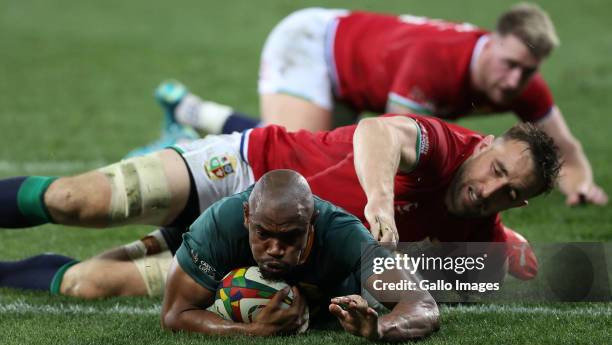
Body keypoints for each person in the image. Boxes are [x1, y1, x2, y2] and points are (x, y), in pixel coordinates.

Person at [0, 113, 553, 297]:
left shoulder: (483, 238)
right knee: (77, 200)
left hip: (261, 246)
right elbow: (378, 133)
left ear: (520, 204)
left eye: (510, 192)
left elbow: (470, 275)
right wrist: (379, 197)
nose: (489, 190)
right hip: (247, 166)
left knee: (89, 285)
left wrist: (505, 257)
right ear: (484, 145)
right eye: (496, 170)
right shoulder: (444, 146)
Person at [137, 3, 604, 206]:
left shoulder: (523, 82)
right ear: (491, 41)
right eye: (509, 64)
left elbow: (567, 148)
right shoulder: (436, 62)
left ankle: (188, 111)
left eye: (528, 70)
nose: (515, 79)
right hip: (312, 47)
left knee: (312, 153)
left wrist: (582, 186)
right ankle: (187, 136)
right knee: (288, 159)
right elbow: (396, 144)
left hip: (353, 72)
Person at [160, 169, 440, 341]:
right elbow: (175, 314)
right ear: (247, 217)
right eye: (263, 234)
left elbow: (422, 306)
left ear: (311, 222)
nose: (275, 249)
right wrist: (252, 332)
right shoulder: (220, 224)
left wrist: (378, 328)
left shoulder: (343, 234)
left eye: (290, 236)